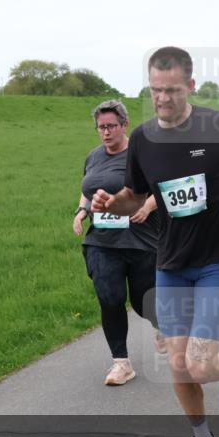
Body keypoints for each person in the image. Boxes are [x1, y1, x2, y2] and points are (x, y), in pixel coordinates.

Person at [91, 47, 219, 437]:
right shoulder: (145, 140)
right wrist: (110, 203)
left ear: (190, 86)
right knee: (176, 362)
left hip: (216, 258)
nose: (162, 99)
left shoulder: (217, 125)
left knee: (201, 364)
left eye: (170, 90)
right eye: (154, 90)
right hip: (170, 261)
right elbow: (134, 195)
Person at [74, 100, 165, 385]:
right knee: (109, 298)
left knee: (142, 301)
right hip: (102, 240)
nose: (105, 132)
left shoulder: (143, 155)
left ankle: (162, 326)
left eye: (111, 126)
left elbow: (160, 188)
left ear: (124, 125)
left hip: (140, 238)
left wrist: (147, 207)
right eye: (101, 127)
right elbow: (88, 190)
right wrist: (81, 211)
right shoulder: (93, 156)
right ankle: (121, 363)